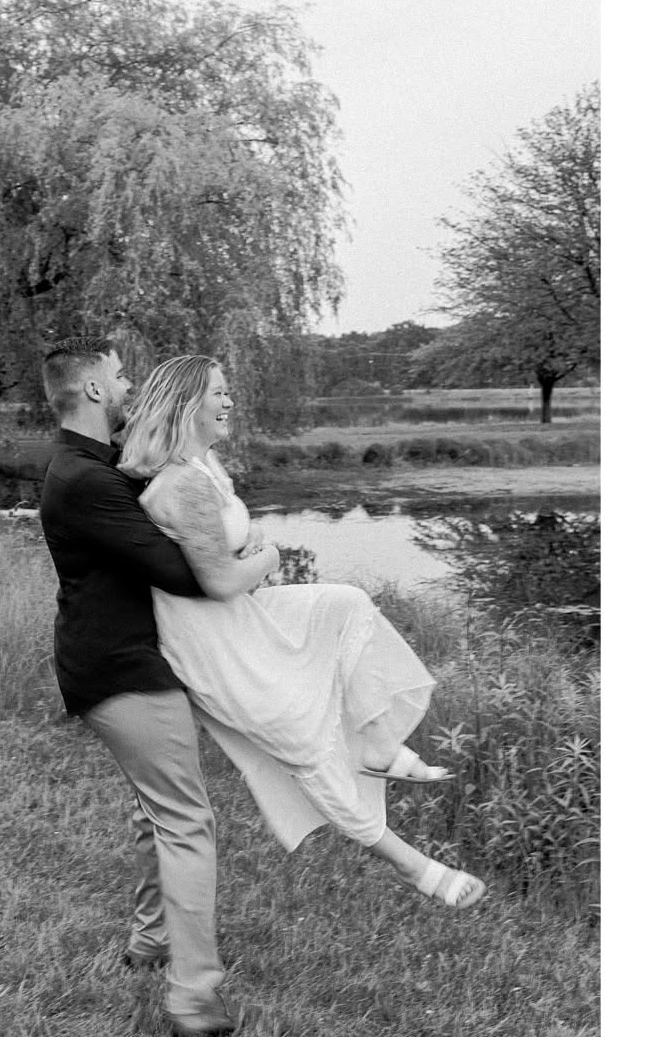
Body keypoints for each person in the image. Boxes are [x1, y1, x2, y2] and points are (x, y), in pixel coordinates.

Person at [117, 354, 486, 910]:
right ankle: (417, 868)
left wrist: (252, 541)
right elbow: (219, 581)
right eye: (218, 393)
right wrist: (269, 557)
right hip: (215, 639)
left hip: (243, 618)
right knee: (304, 742)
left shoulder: (204, 469)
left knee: (346, 605)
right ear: (189, 403)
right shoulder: (181, 485)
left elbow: (222, 545)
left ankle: (380, 746)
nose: (229, 401)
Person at [39, 337, 240, 1037]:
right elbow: (187, 574)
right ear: (93, 390)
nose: (130, 387)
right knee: (187, 822)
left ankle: (152, 941)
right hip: (121, 667)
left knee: (156, 813)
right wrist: (256, 554)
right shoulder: (86, 480)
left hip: (115, 659)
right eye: (122, 376)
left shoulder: (93, 467)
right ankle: (194, 998)